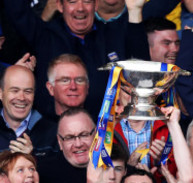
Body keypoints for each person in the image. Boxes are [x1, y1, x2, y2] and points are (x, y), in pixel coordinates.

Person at [4, 0, 150, 117]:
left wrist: (135, 11)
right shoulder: (43, 35)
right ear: (60, 5)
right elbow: (18, 11)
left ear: (96, 5)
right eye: (72, 2)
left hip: (107, 128)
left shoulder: (112, 35)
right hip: (52, 133)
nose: (80, 8)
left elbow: (143, 73)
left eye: (87, 1)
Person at [37, 108, 95, 183]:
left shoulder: (114, 166)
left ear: (96, 134)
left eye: (84, 135)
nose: (78, 144)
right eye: (69, 138)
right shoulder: (42, 174)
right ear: (60, 142)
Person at [0, 66, 56, 154]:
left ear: (34, 95)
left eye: (28, 91)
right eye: (15, 90)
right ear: (1, 93)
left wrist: (32, 158)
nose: (21, 98)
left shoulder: (53, 132)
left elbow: (60, 167)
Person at [44, 54, 89, 119]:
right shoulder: (40, 127)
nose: (73, 87)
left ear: (87, 87)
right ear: (51, 88)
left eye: (79, 80)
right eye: (65, 81)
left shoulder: (101, 126)